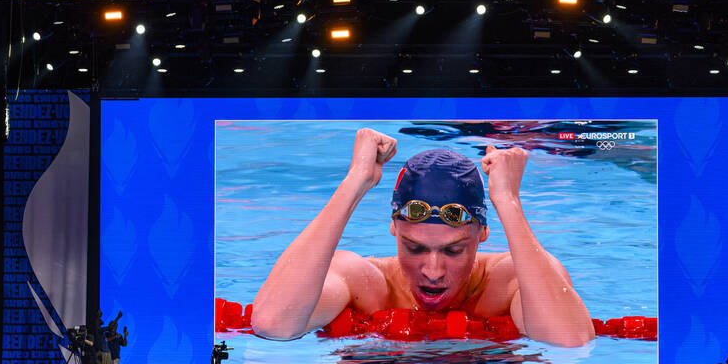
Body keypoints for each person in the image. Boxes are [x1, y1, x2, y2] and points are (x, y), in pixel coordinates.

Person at [251, 128, 594, 347]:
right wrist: (355, 182)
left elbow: (570, 340)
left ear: (483, 233)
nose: (432, 270)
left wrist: (509, 202)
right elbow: (274, 325)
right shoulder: (363, 282)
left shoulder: (512, 279)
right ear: (393, 230)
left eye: (453, 250)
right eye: (414, 247)